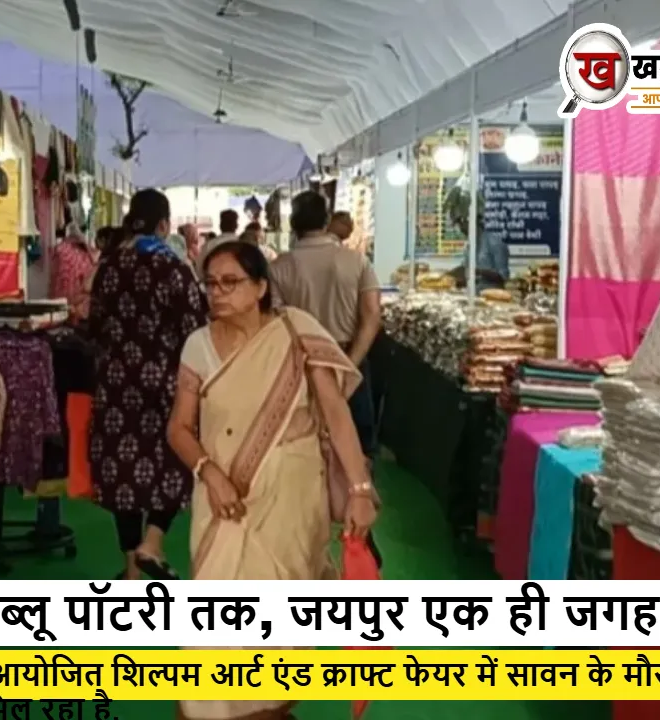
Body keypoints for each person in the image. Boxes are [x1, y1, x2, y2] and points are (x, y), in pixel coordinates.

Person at [168, 241, 378, 720]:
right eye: (210, 283)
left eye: (230, 282)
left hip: (291, 500)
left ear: (261, 286)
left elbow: (336, 414)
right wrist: (209, 472)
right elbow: (178, 428)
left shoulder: (296, 332)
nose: (217, 292)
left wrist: (360, 489)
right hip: (223, 501)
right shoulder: (197, 346)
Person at [89, 189, 208, 580]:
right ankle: (152, 541)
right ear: (164, 224)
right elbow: (195, 327)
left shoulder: (108, 267)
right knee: (175, 461)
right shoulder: (173, 268)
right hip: (166, 384)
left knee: (123, 473)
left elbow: (94, 325)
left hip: (115, 384)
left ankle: (131, 570)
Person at [270, 191, 383, 456]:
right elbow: (372, 316)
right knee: (356, 446)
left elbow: (276, 321)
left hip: (301, 362)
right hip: (349, 354)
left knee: (305, 444)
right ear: (326, 220)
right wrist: (351, 364)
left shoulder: (278, 267)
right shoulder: (356, 261)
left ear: (294, 224)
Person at [50, 223, 98, 323]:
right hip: (79, 303)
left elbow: (54, 276)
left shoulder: (59, 249)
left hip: (60, 300)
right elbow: (87, 284)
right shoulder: (88, 254)